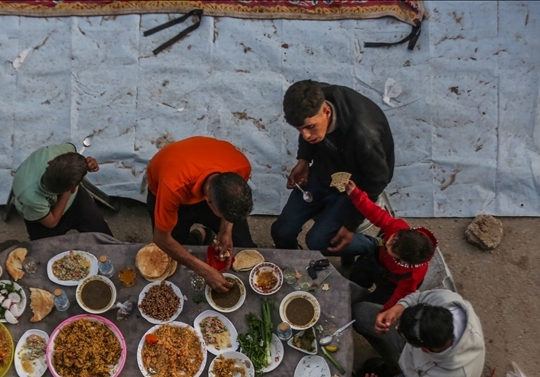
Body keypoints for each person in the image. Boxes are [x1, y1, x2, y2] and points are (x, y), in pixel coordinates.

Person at [270, 80, 395, 257]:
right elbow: (307, 132)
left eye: (310, 127)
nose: (305, 135)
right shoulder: (314, 97)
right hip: (325, 169)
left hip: (356, 187)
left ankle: (379, 246)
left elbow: (377, 181)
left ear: (327, 111)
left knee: (318, 241)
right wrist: (304, 160)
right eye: (299, 130)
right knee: (281, 231)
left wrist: (350, 225)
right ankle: (294, 262)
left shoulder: (364, 135)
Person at [353, 289, 486, 377]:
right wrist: (396, 310)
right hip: (416, 356)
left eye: (399, 330)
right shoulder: (446, 300)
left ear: (425, 350)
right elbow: (418, 297)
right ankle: (392, 366)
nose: (396, 327)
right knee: (361, 313)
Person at [146, 136, 255, 293]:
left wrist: (226, 229)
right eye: (223, 215)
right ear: (208, 201)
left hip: (203, 185)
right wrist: (204, 270)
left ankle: (202, 235)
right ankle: (198, 236)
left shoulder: (241, 166)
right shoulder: (172, 186)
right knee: (171, 251)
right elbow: (161, 238)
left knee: (243, 242)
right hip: (170, 189)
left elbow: (230, 210)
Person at [341, 179, 437, 312]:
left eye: (391, 248)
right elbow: (377, 214)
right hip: (374, 261)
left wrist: (386, 312)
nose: (387, 242)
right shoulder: (398, 229)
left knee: (371, 304)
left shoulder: (413, 276)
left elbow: (399, 297)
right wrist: (356, 195)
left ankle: (357, 308)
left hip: (391, 283)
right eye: (393, 239)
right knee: (356, 280)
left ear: (402, 260)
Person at [11, 144, 112, 241]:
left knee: (103, 237)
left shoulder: (56, 152)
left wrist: (85, 164)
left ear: (52, 161)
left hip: (67, 192)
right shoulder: (30, 197)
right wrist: (68, 192)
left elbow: (71, 158)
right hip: (40, 215)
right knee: (43, 251)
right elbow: (52, 222)